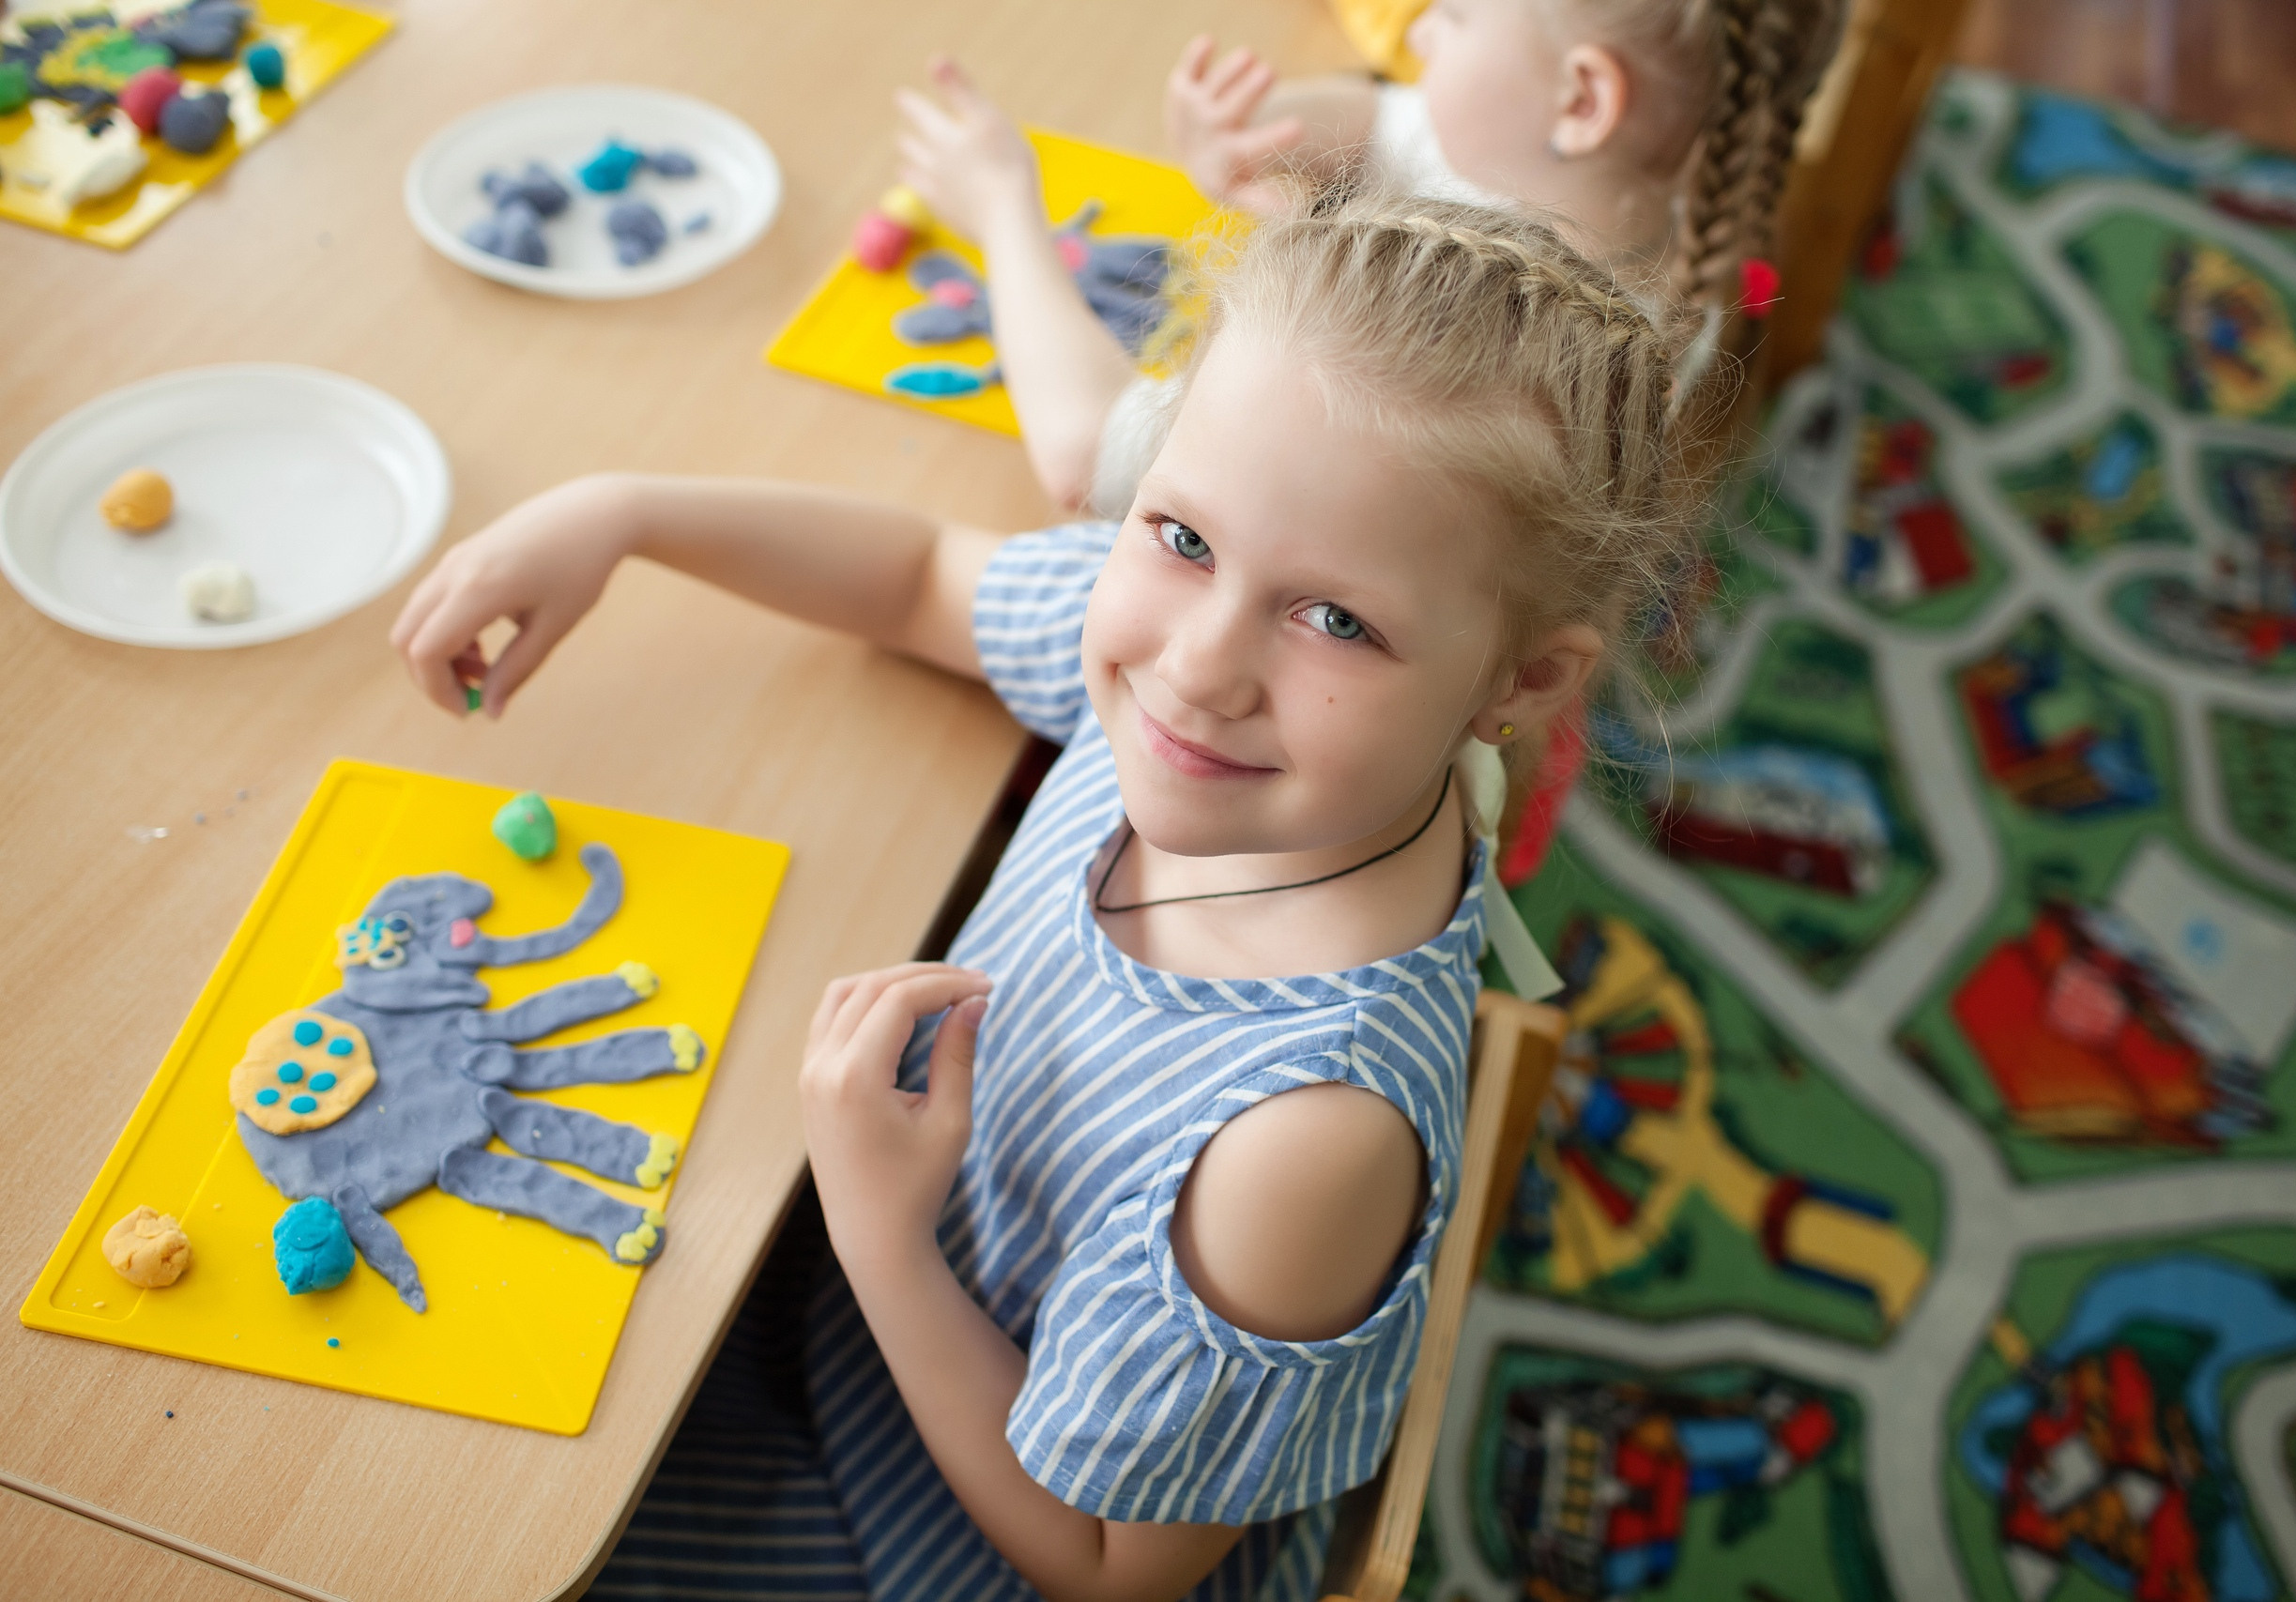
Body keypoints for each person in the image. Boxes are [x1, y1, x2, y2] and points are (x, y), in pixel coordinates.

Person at [391, 192, 1721, 1602]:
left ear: (1524, 681)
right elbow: (916, 576)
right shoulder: (1217, 709)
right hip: (851, 1258)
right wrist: (626, 513)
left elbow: (1106, 1563)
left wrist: (881, 1236)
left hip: (920, 1519)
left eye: (1338, 620)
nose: (1200, 662)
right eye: (1181, 538)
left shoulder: (1303, 1137)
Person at [892, 0, 1839, 512]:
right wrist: (1246, 135)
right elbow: (1390, 127)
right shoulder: (1634, 197)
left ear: (1584, 102)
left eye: (1457, 13)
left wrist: (1002, 208)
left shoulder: (1459, 353)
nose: (1417, 29)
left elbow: (1094, 463)